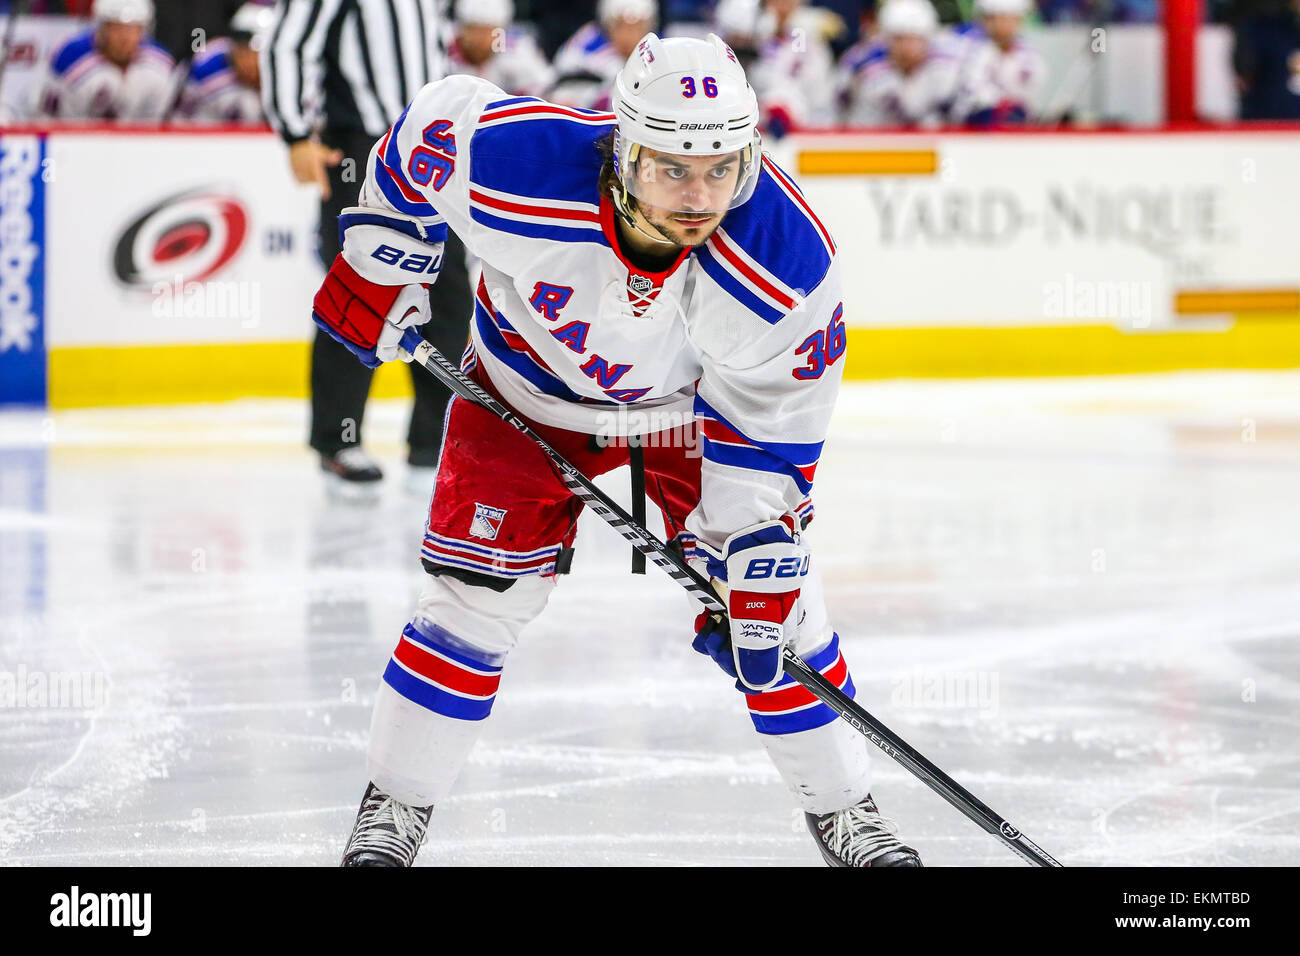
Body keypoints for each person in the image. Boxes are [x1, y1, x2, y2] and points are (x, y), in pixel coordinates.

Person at [312, 31, 923, 867]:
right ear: (623, 150)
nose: (698, 197)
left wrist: (749, 550)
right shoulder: (519, 164)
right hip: (519, 389)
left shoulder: (785, 264)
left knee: (780, 614)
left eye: (721, 168)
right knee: (475, 601)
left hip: (684, 417)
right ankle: (394, 806)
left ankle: (846, 810)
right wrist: (388, 253)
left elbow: (773, 424)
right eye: (673, 167)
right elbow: (427, 124)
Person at [262, 0, 473, 493]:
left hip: (431, 147)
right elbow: (287, 42)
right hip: (363, 145)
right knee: (363, 290)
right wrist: (295, 133)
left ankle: (435, 439)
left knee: (448, 292)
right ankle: (338, 438)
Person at [30, 0, 174, 121]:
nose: (125, 38)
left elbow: (158, 124)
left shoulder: (159, 65)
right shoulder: (73, 61)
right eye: (117, 29)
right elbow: (52, 120)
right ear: (102, 29)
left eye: (132, 30)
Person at [838, 0, 966, 128]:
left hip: (933, 143)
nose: (907, 47)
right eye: (899, 39)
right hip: (873, 141)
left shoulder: (948, 67)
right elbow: (842, 111)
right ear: (886, 40)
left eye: (914, 39)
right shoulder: (862, 66)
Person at [949, 0, 1046, 125]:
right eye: (1000, 18)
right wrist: (1001, 102)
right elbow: (972, 91)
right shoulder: (969, 47)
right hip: (974, 124)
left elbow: (1032, 88)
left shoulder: (1027, 53)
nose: (1006, 25)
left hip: (1017, 122)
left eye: (1012, 19)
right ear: (985, 20)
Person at [175, 2, 272, 124]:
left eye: (259, 54)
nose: (251, 62)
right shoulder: (208, 67)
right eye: (244, 51)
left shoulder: (285, 75)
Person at [550, 0, 656, 109]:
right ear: (609, 24)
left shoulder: (658, 49)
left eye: (637, 27)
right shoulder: (585, 47)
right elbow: (560, 93)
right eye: (621, 25)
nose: (629, 35)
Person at [446, 0, 554, 97]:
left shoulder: (517, 54)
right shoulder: (445, 55)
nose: (480, 39)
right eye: (473, 30)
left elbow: (546, 87)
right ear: (461, 30)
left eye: (487, 31)